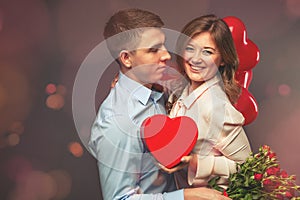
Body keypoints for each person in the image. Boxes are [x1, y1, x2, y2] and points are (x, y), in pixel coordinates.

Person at [88, 8, 230, 200]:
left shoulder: (158, 89)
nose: (166, 56)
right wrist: (186, 196)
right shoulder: (115, 122)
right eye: (153, 50)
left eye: (163, 46)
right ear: (126, 58)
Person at [166, 14, 252, 189]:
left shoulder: (216, 108)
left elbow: (248, 169)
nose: (196, 59)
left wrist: (198, 163)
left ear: (223, 59)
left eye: (207, 52)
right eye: (190, 48)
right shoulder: (181, 91)